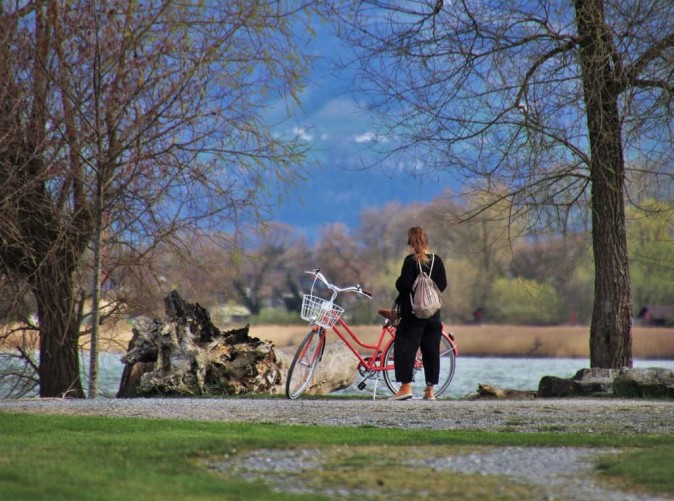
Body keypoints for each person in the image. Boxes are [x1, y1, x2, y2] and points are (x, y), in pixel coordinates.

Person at [391, 226, 447, 401]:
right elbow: (443, 285)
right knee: (431, 351)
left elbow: (404, 285)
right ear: (426, 241)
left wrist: (399, 282)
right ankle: (430, 390)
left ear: (411, 243)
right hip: (433, 314)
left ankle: (406, 386)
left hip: (413, 315)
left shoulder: (410, 261)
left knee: (405, 348)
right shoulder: (437, 261)